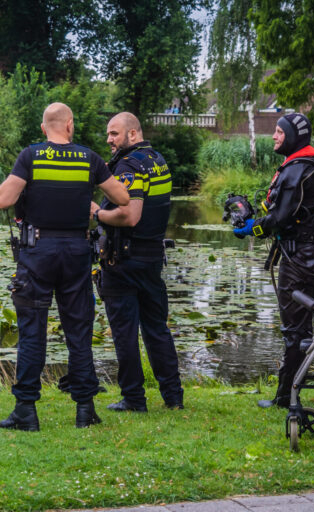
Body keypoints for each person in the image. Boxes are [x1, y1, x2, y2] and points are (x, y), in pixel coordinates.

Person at [0, 102, 129, 431]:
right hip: (76, 251)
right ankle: (85, 409)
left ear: (45, 128)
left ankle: (26, 410)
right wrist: (88, 200)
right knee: (78, 332)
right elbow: (123, 198)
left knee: (32, 332)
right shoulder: (89, 159)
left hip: (37, 251)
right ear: (69, 125)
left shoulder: (31, 156)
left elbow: (3, 200)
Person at [233, 113, 314, 409]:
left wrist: (251, 227)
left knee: (295, 330)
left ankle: (284, 396)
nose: (275, 136)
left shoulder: (296, 169)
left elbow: (281, 217)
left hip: (299, 259)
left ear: (293, 137)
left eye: (280, 132)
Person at [89, 112, 184, 412]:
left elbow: (130, 215)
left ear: (132, 134)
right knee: (157, 329)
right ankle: (173, 396)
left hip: (124, 259)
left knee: (125, 332)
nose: (109, 140)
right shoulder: (158, 160)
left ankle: (133, 398)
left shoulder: (130, 165)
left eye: (114, 133)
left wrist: (96, 213)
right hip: (152, 257)